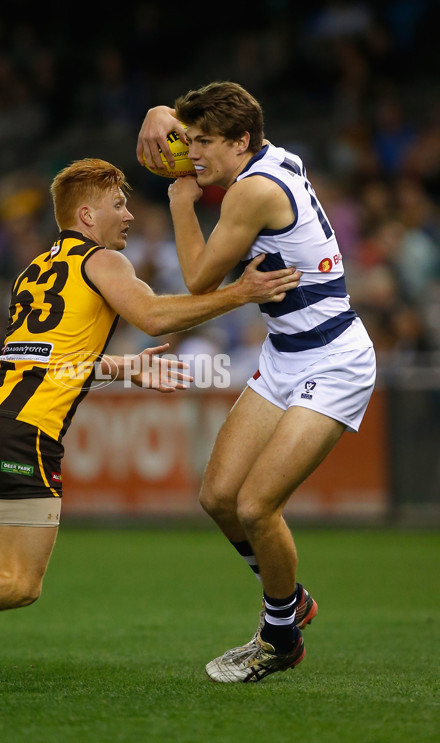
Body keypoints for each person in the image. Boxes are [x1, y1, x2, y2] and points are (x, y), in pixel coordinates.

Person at [0, 157, 301, 688]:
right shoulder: (104, 263)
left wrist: (124, 368)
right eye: (119, 204)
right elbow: (156, 316)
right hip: (27, 427)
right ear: (87, 215)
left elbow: (47, 358)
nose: (130, 216)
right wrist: (241, 293)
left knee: (5, 541)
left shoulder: (36, 268)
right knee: (22, 581)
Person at [136, 82, 376, 683]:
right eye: (189, 141)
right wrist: (157, 112)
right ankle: (290, 599)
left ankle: (279, 637)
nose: (194, 155)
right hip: (284, 356)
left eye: (205, 143)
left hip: (334, 360)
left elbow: (196, 281)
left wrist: (180, 203)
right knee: (218, 499)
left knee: (256, 505)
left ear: (242, 142)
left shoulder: (250, 193)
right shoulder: (270, 154)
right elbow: (201, 113)